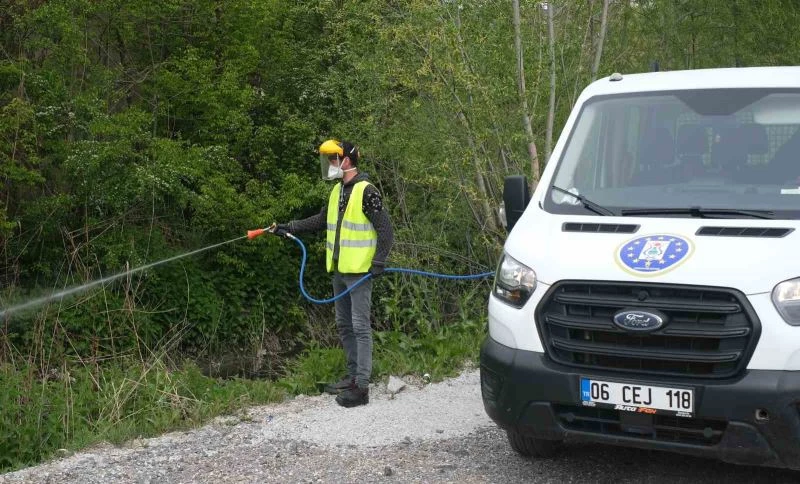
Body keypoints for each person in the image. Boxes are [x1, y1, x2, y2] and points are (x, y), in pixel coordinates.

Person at [275, 139, 394, 408]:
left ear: (346, 161)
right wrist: (288, 227)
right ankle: (352, 376)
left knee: (361, 327)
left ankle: (361, 388)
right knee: (344, 325)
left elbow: (386, 231)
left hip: (360, 272)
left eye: (332, 159)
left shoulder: (367, 191)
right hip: (339, 270)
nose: (329, 165)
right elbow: (320, 221)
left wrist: (379, 261)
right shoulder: (337, 191)